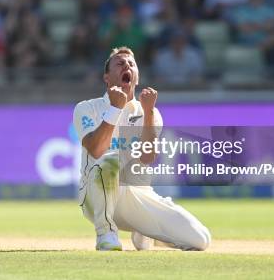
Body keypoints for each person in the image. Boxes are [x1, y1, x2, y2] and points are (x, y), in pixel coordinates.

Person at [73, 47, 211, 251]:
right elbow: (96, 150)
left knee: (200, 239)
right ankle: (106, 234)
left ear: (136, 77)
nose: (126, 66)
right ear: (107, 77)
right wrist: (115, 109)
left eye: (131, 64)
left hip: (137, 194)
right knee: (109, 159)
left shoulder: (149, 112)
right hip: (95, 197)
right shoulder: (87, 108)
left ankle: (146, 233)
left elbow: (147, 158)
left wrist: (148, 114)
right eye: (119, 63)